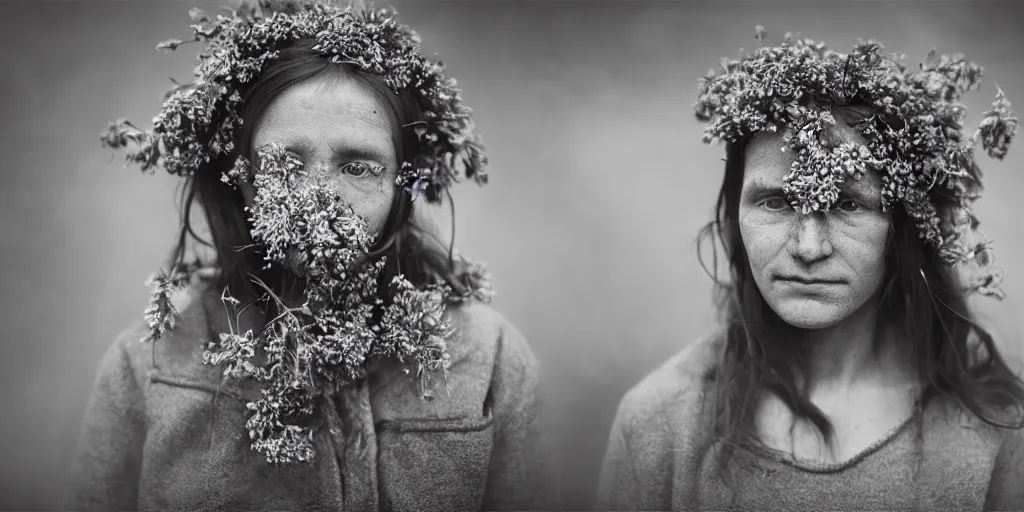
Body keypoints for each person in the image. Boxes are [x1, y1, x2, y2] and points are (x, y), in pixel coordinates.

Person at [66, 2, 553, 511]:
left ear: (401, 185)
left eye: (358, 167)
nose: (319, 202)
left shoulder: (487, 358)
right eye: (283, 166)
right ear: (244, 182)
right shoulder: (150, 361)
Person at [596, 29, 1024, 511]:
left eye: (846, 204)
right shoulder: (660, 425)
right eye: (776, 201)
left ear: (905, 229)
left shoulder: (996, 434)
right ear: (734, 215)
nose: (808, 247)